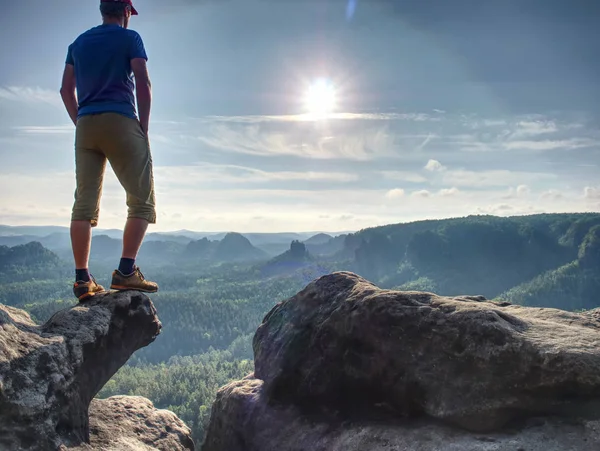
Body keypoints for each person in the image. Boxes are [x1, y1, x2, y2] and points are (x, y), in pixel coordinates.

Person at [60, 0, 158, 301]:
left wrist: (81, 121)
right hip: (121, 121)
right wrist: (143, 126)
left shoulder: (78, 42)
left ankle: (82, 280)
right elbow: (142, 80)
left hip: (86, 124)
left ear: (103, 10)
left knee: (84, 202)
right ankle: (126, 272)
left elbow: (66, 90)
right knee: (142, 201)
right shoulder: (130, 38)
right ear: (126, 11)